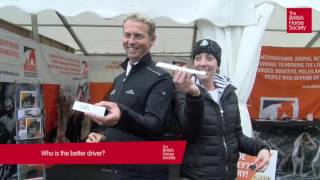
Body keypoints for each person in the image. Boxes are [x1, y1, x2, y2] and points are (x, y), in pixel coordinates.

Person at [85, 13, 174, 179]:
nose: (131, 41)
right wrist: (103, 135)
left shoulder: (161, 78)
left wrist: (122, 114)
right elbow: (120, 123)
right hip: (118, 169)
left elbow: (154, 125)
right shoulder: (119, 79)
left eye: (138, 36)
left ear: (152, 40)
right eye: (127, 35)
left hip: (146, 173)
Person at [173, 39, 270, 180]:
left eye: (209, 58)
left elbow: (236, 137)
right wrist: (194, 95)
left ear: (218, 64)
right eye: (198, 58)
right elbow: (188, 130)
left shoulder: (228, 94)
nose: (202, 63)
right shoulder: (183, 91)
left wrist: (262, 148)